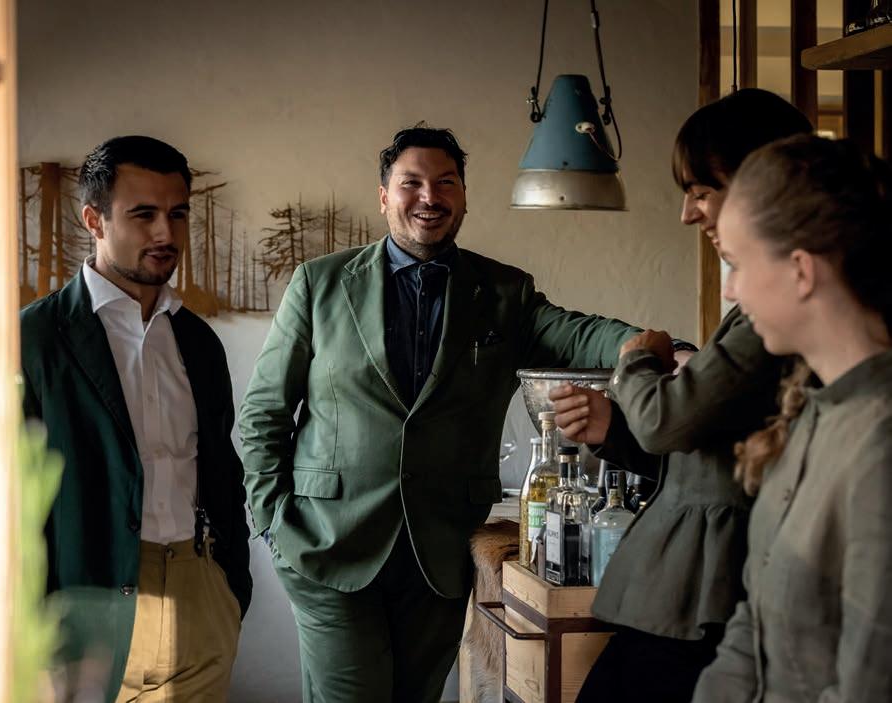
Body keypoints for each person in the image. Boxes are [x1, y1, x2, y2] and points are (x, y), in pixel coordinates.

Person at [238, 124, 642, 703]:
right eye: (412, 183)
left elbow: (576, 333)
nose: (430, 197)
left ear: (464, 195)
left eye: (446, 182)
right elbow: (263, 413)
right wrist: (271, 521)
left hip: (440, 549)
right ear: (384, 196)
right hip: (328, 544)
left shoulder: (504, 291)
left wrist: (650, 348)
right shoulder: (321, 283)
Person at [549, 89, 812, 702]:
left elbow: (671, 424)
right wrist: (616, 429)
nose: (688, 214)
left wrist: (638, 358)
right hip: (700, 597)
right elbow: (717, 452)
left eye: (700, 191)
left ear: (757, 186)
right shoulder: (758, 315)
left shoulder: (770, 321)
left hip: (707, 595)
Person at [21, 135, 251, 703]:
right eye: (143, 215)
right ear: (93, 220)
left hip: (200, 594)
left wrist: (229, 587)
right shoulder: (34, 337)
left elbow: (221, 469)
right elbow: (4, 498)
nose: (165, 233)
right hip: (86, 600)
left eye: (178, 214)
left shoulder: (198, 341)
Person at [692, 136, 892, 702]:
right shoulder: (812, 412)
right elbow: (751, 628)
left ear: (801, 271)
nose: (729, 289)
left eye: (736, 264)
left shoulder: (880, 444)